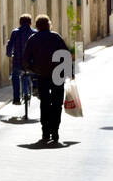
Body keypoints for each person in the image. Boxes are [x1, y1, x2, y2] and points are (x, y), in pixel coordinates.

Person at [23, 14, 70, 145]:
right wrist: (69, 72)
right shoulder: (56, 37)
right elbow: (66, 55)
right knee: (57, 104)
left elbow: (26, 60)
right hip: (57, 74)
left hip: (42, 75)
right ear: (49, 25)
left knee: (44, 103)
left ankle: (45, 132)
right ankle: (55, 130)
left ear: (37, 26)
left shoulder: (33, 38)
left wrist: (34, 69)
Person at [5, 13, 33, 105]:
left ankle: (16, 98)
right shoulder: (34, 32)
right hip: (31, 63)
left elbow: (10, 45)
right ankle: (35, 88)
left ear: (20, 23)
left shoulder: (15, 32)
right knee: (34, 74)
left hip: (18, 61)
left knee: (15, 76)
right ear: (30, 23)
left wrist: (9, 54)